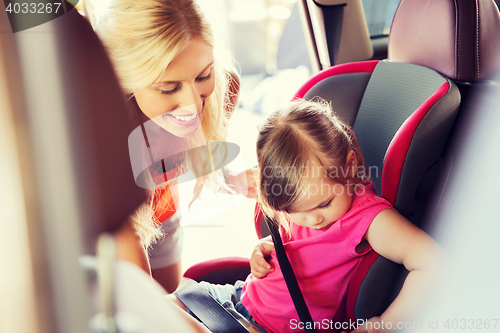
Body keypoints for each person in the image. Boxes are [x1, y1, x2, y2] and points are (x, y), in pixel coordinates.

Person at [170, 99, 444, 333]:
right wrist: (263, 249)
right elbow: (297, 243)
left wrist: (384, 324)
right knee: (153, 305)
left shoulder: (366, 218)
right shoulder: (304, 204)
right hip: (236, 298)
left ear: (349, 166)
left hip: (267, 328)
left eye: (324, 204)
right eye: (292, 211)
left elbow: (435, 264)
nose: (312, 220)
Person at [86, 0, 256, 293]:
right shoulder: (102, 138)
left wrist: (233, 180)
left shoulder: (224, 93)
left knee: (170, 296)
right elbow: (129, 237)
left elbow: (201, 149)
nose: (193, 104)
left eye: (203, 76)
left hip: (163, 217)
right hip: (109, 232)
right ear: (124, 83)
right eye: (168, 88)